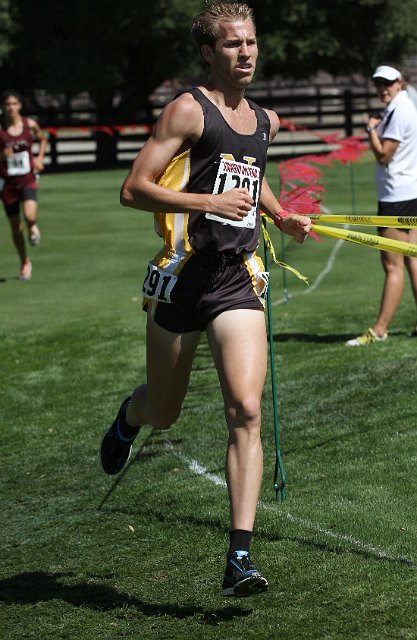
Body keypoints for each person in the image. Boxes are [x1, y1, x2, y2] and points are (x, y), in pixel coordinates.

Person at [100, 1, 311, 596]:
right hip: (182, 274)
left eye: (250, 42)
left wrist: (280, 214)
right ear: (207, 52)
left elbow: (250, 171)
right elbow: (133, 188)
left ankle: (239, 558)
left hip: (235, 277)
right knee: (162, 410)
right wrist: (206, 205)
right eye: (231, 45)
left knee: (245, 408)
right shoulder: (188, 110)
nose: (245, 53)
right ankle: (129, 416)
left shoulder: (265, 119)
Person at [346, 64, 417, 346]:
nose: (382, 88)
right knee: (412, 259)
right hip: (407, 192)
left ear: (400, 82)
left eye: (388, 83)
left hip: (397, 198)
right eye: (378, 84)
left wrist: (370, 130)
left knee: (392, 264)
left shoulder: (401, 111)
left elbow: (384, 156)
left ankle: (379, 330)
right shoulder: (402, 106)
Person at [0, 90, 47, 280]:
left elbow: (43, 138)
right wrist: (3, 156)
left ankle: (33, 227)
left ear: (20, 105)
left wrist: (39, 158)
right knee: (15, 227)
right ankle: (24, 262)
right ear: (3, 107)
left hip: (27, 178)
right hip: (7, 183)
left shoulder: (30, 124)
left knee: (29, 215)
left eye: (14, 104)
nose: (11, 107)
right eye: (7, 104)